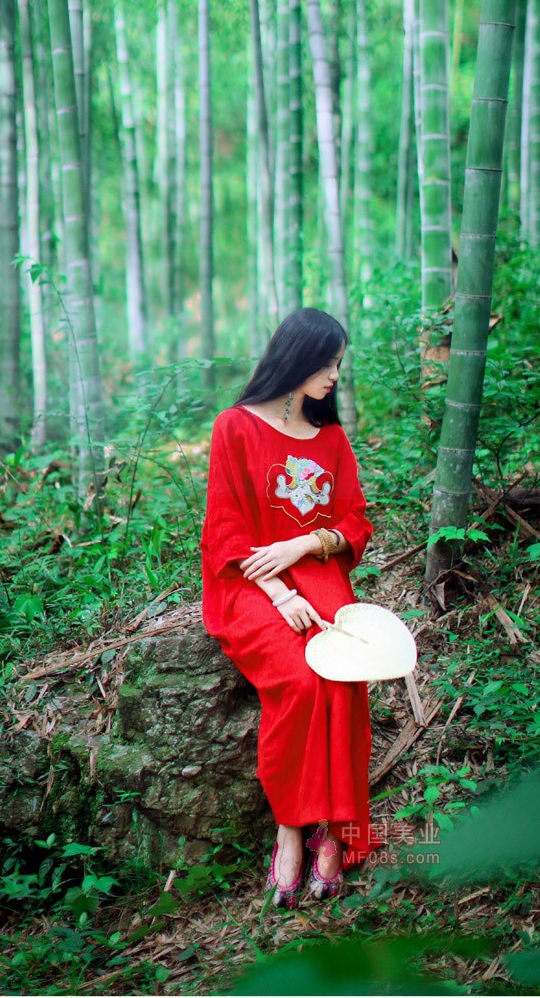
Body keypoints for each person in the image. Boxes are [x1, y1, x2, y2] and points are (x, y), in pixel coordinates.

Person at [200, 308, 383, 906]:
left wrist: (304, 544)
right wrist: (280, 592)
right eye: (326, 362)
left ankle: (335, 829)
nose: (334, 375)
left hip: (320, 573)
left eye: (338, 363)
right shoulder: (235, 427)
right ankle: (290, 827)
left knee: (341, 674)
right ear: (296, 357)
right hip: (248, 581)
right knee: (302, 681)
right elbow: (225, 526)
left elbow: (354, 519)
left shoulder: (330, 438)